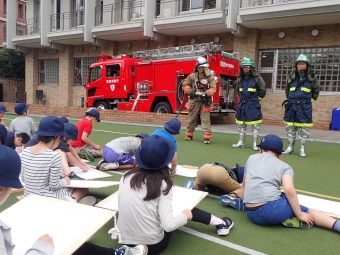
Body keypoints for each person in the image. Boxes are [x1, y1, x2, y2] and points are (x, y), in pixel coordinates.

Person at [0, 145, 147, 255]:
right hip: (47, 201)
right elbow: (54, 183)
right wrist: (40, 247)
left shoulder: (27, 150)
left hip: (33, 202)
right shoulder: (54, 155)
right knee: (66, 241)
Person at [116, 135, 234, 255]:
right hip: (152, 246)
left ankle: (219, 222)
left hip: (124, 242)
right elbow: (168, 225)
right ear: (166, 160)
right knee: (184, 207)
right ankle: (220, 223)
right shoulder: (162, 184)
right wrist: (185, 215)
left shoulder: (126, 177)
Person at [240, 134, 340, 233]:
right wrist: (300, 214)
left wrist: (243, 200)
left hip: (250, 213)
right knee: (300, 207)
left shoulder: (251, 158)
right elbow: (289, 190)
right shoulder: (284, 167)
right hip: (272, 212)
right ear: (280, 155)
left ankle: (285, 217)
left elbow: (244, 184)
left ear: (260, 149)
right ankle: (336, 226)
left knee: (281, 197)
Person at [21, 116, 95, 205]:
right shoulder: (54, 156)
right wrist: (65, 180)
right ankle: (72, 200)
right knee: (83, 189)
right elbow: (54, 185)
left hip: (29, 195)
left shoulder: (25, 151)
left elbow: (24, 179)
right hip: (48, 197)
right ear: (57, 137)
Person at [282, 54, 320, 157]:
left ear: (307, 65)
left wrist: (308, 102)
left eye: (302, 64)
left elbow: (316, 91)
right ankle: (290, 147)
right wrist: (291, 100)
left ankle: (302, 149)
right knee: (290, 127)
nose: (300, 66)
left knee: (304, 130)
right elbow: (287, 90)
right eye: (298, 64)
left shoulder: (312, 78)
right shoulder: (291, 77)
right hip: (292, 106)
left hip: (304, 107)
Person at [232, 57, 266, 150]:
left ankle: (255, 144)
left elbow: (262, 90)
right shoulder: (241, 79)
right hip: (242, 104)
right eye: (244, 67)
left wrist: (256, 99)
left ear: (251, 67)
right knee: (241, 124)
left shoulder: (257, 78)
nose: (245, 68)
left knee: (255, 125)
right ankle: (241, 142)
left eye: (247, 67)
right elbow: (238, 91)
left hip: (253, 104)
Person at [182, 56, 216, 144]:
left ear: (205, 67)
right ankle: (189, 134)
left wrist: (206, 93)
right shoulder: (192, 76)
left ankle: (207, 137)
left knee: (205, 119)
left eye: (202, 67)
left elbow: (213, 88)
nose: (200, 69)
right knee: (191, 118)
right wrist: (191, 92)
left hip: (205, 101)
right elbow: (184, 85)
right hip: (194, 100)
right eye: (199, 67)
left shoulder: (209, 77)